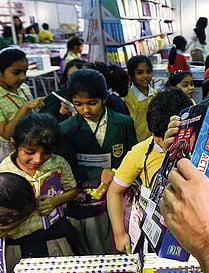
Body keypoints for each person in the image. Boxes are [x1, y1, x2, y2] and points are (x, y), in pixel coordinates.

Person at [60, 69, 137, 255]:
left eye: (91, 103)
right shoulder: (66, 130)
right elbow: (64, 167)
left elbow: (133, 156)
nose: (85, 110)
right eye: (78, 104)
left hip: (121, 195)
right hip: (85, 202)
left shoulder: (123, 123)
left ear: (104, 98)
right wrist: (96, 173)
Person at [107, 87, 192, 253]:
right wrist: (119, 233)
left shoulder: (200, 149)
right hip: (156, 237)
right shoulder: (140, 153)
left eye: (170, 136)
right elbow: (114, 192)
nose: (162, 141)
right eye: (157, 136)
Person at [0, 113, 78, 273]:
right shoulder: (4, 173)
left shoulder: (58, 163)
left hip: (52, 236)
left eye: (46, 153)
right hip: (16, 245)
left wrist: (55, 201)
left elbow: (73, 190)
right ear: (14, 144)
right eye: (30, 152)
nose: (37, 159)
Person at [0, 47, 45, 141]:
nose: (23, 77)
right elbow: (5, 133)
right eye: (16, 73)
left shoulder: (23, 88)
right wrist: (25, 108)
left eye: (25, 72)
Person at [39, 59, 86, 123]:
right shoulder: (57, 96)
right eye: (69, 75)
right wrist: (63, 115)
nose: (72, 79)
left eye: (77, 76)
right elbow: (43, 123)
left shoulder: (91, 97)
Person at [123, 55, 157, 142]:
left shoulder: (155, 94)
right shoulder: (128, 98)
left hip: (154, 141)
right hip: (137, 143)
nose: (145, 76)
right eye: (140, 73)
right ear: (131, 75)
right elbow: (131, 126)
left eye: (148, 72)